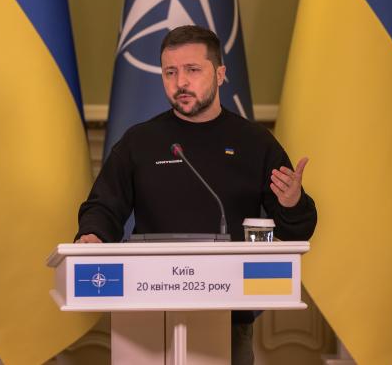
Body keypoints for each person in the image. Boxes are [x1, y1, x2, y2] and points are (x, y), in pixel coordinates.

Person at [75, 25, 317, 365]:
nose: (180, 82)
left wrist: (292, 203)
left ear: (220, 74)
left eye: (192, 70)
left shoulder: (255, 142)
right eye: (170, 72)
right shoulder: (140, 141)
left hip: (229, 314)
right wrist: (92, 236)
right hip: (147, 309)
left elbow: (296, 230)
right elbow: (104, 205)